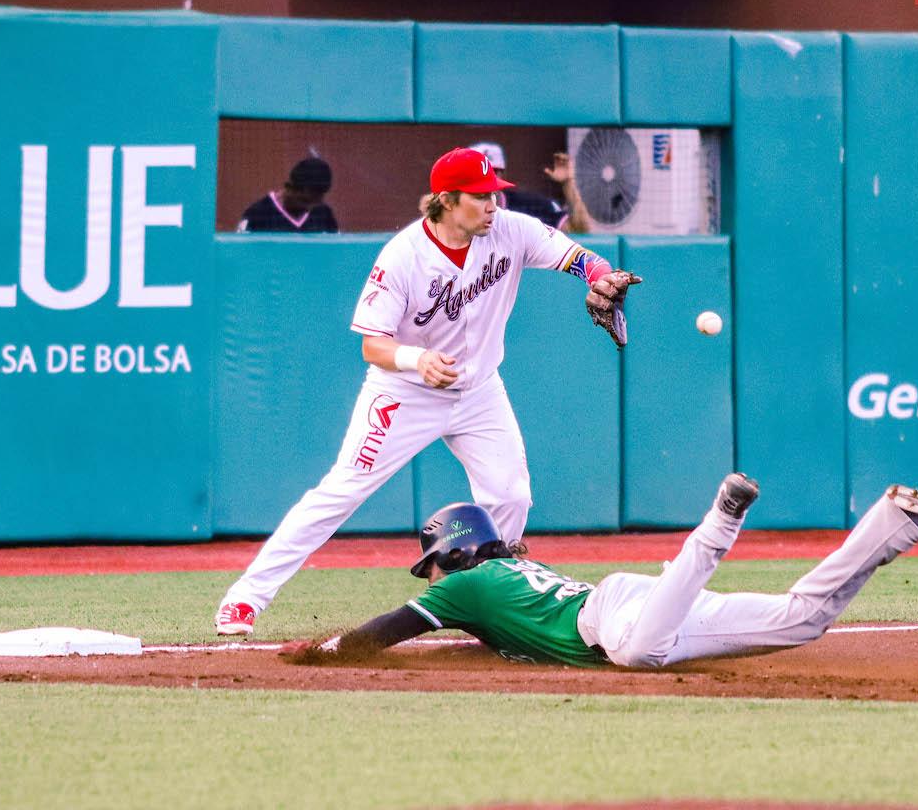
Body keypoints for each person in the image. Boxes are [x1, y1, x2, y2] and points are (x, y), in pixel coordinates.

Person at [215, 146, 642, 635]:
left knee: (511, 496)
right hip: (405, 391)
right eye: (479, 196)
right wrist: (416, 359)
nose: (491, 205)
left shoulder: (510, 229)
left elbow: (576, 256)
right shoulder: (403, 256)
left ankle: (492, 601)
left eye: (493, 195)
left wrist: (601, 277)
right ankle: (244, 599)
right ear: (445, 200)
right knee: (341, 490)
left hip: (480, 390)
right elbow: (373, 347)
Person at [288, 475, 918, 667]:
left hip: (619, 621)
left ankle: (720, 521)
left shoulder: (467, 586)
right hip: (639, 598)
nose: (433, 577)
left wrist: (320, 653)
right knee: (803, 622)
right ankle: (893, 525)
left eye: (436, 562)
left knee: (642, 653)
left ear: (459, 551)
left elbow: (389, 630)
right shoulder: (503, 581)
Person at [468, 141, 591, 233]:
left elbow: (579, 230)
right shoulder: (457, 211)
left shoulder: (530, 205)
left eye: (493, 171)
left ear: (503, 175)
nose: (486, 177)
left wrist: (568, 183)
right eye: (478, 172)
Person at [237, 156, 338, 232]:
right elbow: (241, 254)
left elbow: (336, 254)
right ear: (288, 188)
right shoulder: (257, 215)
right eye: (304, 201)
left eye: (316, 202)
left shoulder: (324, 214)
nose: (309, 208)